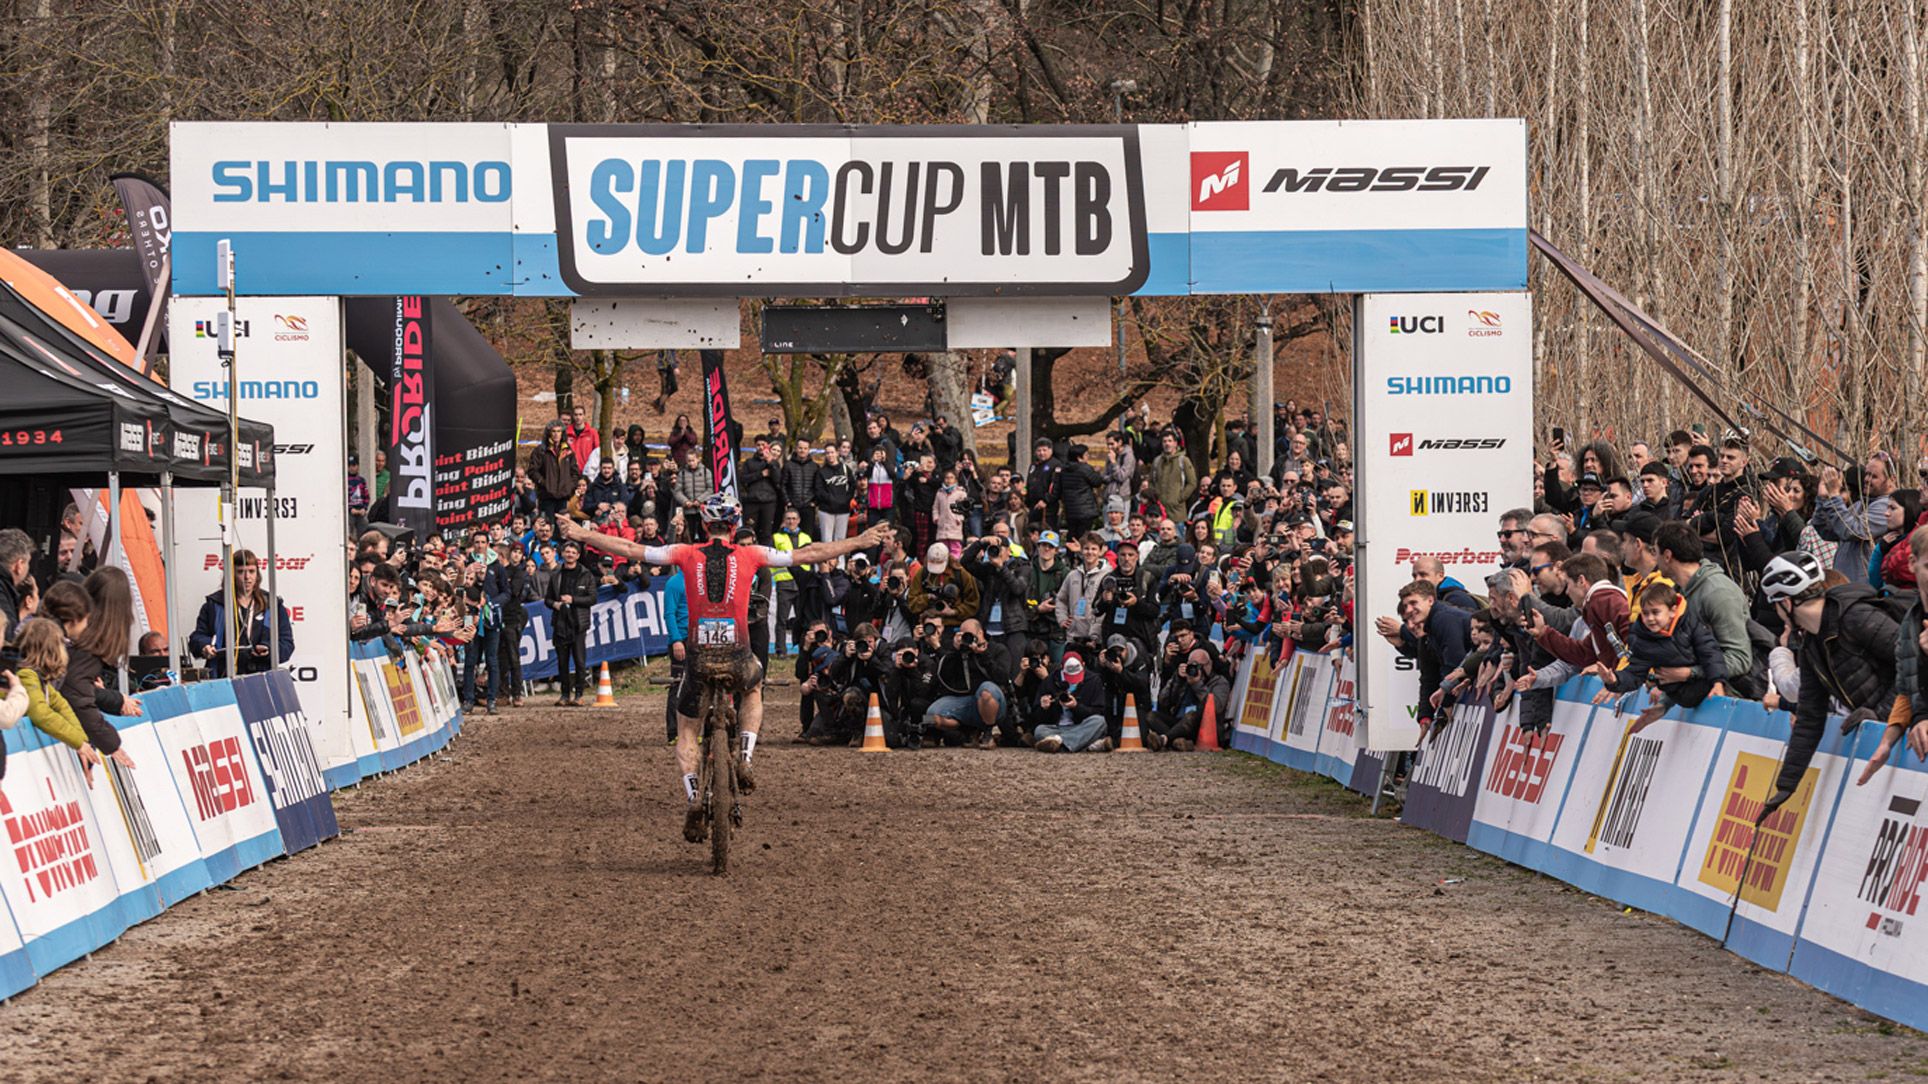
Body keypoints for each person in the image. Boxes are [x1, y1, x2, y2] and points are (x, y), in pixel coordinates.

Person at [561, 492, 889, 843]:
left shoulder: (685, 553)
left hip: (699, 657)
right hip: (737, 654)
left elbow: (629, 549)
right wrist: (858, 540)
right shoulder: (750, 554)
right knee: (752, 689)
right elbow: (807, 554)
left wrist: (583, 536)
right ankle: (746, 754)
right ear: (734, 527)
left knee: (687, 729)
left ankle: (692, 798)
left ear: (703, 525)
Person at [1759, 551, 1901, 809]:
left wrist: (1880, 713)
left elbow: (1914, 664)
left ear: (1787, 604)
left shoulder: (1856, 617)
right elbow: (1810, 717)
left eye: (1774, 604)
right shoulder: (1812, 643)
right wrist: (1785, 786)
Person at [1589, 583, 1725, 731]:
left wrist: (1717, 682)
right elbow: (1634, 673)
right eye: (1645, 613)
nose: (1650, 618)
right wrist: (1614, 680)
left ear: (1672, 611)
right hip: (1680, 696)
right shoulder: (1641, 638)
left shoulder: (1691, 625)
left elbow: (1711, 654)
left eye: (1655, 612)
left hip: (1708, 689)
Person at [13, 618, 103, 785]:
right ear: (52, 650)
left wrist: (82, 742)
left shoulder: (38, 679)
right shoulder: (26, 676)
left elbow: (62, 706)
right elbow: (41, 714)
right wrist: (78, 743)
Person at [187, 550, 295, 678]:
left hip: (262, 677)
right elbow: (197, 637)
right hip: (223, 676)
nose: (247, 577)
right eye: (240, 572)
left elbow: (287, 644)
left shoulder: (272, 604)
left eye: (251, 571)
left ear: (257, 574)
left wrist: (268, 650)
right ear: (231, 575)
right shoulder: (214, 605)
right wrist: (204, 646)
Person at [546, 540, 599, 706]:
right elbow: (547, 599)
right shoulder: (556, 574)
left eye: (573, 552)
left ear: (577, 555)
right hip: (560, 622)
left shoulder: (586, 574)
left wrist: (573, 599)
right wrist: (555, 604)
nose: (570, 555)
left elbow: (592, 598)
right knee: (562, 661)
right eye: (567, 552)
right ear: (562, 553)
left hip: (578, 623)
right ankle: (564, 694)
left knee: (579, 660)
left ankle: (579, 694)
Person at [529, 421, 578, 516]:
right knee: (546, 527)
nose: (556, 434)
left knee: (562, 527)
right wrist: (544, 483)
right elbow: (532, 471)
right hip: (546, 496)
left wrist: (569, 487)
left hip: (563, 496)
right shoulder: (540, 450)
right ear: (549, 433)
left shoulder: (568, 451)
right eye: (553, 431)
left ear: (562, 433)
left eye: (559, 431)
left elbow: (575, 472)